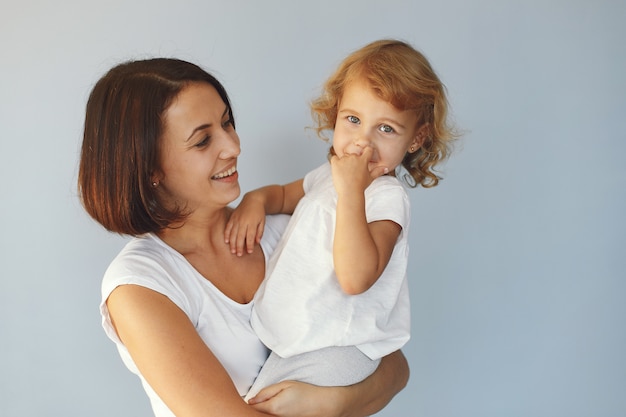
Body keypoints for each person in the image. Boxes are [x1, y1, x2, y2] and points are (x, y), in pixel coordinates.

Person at [78, 57, 409, 417]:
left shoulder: (288, 229)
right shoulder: (141, 286)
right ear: (150, 167)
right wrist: (344, 402)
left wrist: (331, 402)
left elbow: (393, 365)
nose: (233, 146)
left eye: (227, 123)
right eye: (203, 140)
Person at [225, 39, 457, 401]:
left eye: (386, 129)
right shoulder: (327, 174)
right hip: (299, 338)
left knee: (258, 405)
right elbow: (284, 196)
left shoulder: (386, 199)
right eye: (353, 120)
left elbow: (355, 277)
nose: (362, 143)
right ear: (335, 114)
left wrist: (352, 192)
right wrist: (256, 199)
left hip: (340, 346)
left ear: (416, 139)